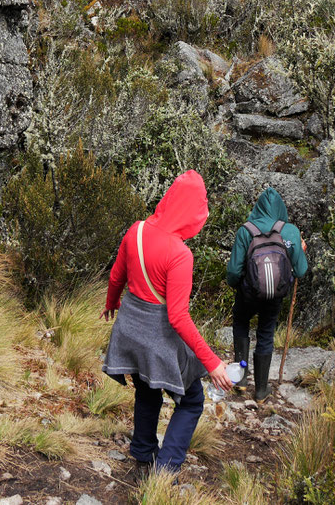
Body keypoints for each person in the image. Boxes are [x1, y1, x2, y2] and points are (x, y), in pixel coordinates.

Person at [102, 170, 233, 479]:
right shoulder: (179, 254)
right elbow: (177, 317)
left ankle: (143, 455)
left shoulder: (136, 230)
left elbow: (116, 276)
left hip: (129, 330)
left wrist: (111, 304)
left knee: (147, 391)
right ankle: (166, 469)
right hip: (157, 339)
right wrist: (212, 362)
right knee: (192, 401)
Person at [225, 187, 309, 401]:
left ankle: (241, 378)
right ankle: (261, 390)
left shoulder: (246, 230)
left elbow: (234, 271)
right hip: (274, 296)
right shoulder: (290, 231)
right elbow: (300, 270)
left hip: (248, 294)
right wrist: (299, 250)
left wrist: (237, 286)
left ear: (258, 207)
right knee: (266, 333)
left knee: (241, 324)